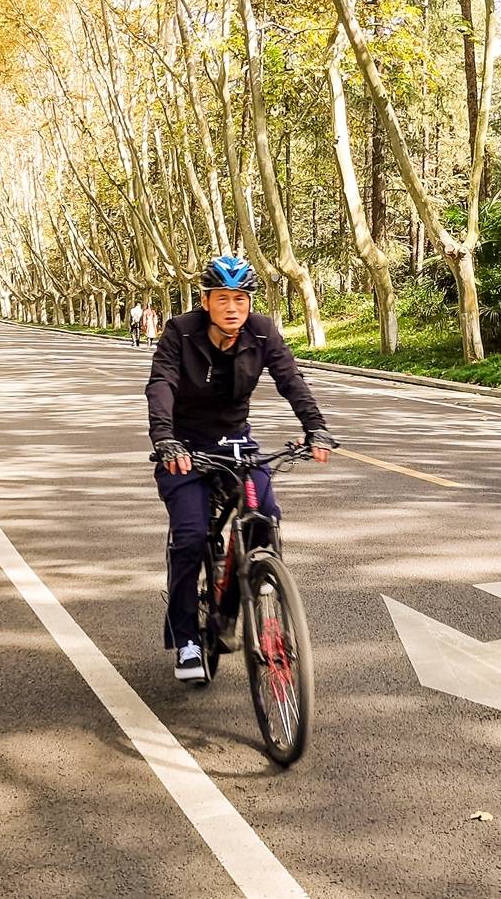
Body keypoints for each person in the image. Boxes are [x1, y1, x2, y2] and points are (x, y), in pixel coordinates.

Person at [147, 255, 335, 683]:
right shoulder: (181, 332)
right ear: (205, 300)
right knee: (192, 536)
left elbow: (291, 381)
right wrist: (165, 438)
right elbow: (161, 385)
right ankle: (187, 639)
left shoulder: (263, 332)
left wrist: (316, 428)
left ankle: (260, 576)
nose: (232, 308)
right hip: (185, 447)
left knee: (265, 510)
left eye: (240, 299)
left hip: (235, 442)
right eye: (222, 299)